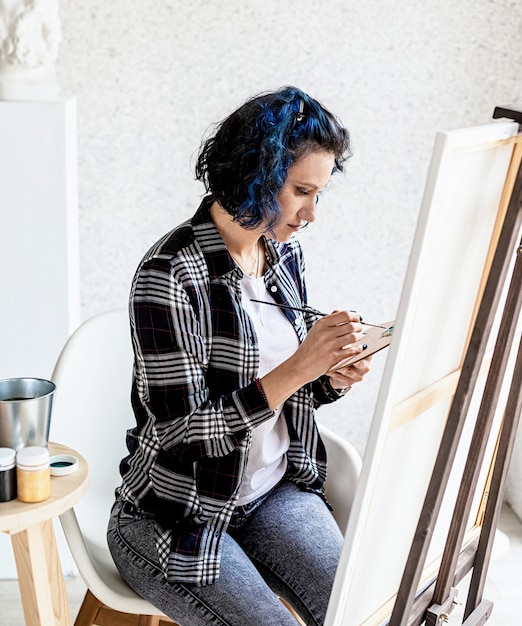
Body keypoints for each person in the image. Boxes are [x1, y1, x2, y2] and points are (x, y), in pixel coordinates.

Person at [107, 86, 373, 626]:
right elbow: (182, 433)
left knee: (363, 609)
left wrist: (330, 376)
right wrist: (300, 365)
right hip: (177, 515)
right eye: (301, 191)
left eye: (318, 194)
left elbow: (285, 391)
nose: (310, 214)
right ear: (258, 172)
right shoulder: (169, 275)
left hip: (271, 495)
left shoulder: (280, 256)